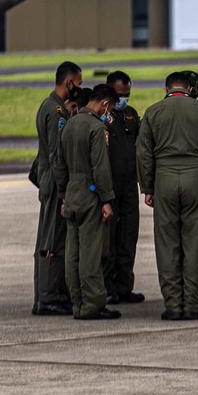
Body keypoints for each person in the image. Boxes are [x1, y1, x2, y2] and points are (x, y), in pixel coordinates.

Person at [137, 72, 198, 321]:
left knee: (167, 244)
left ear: (167, 88)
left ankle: (173, 304)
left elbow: (143, 154)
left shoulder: (153, 112)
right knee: (196, 244)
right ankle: (194, 305)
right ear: (188, 88)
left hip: (164, 177)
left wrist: (148, 187)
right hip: (196, 176)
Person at [56, 84, 120, 320]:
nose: (108, 113)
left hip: (71, 192)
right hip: (89, 192)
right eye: (109, 108)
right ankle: (93, 304)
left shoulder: (70, 124)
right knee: (91, 253)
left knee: (72, 253)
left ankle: (77, 303)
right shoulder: (96, 127)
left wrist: (63, 196)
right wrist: (106, 199)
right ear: (105, 103)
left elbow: (59, 164)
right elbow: (100, 169)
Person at [31, 61, 82, 316]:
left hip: (48, 179)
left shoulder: (49, 106)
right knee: (53, 239)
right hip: (54, 181)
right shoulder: (57, 112)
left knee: (48, 236)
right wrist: (64, 191)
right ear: (69, 82)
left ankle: (45, 294)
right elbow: (55, 154)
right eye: (78, 84)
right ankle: (49, 296)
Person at [103, 71, 145, 304]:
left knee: (128, 237)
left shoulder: (131, 115)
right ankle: (108, 287)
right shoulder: (100, 117)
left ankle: (124, 286)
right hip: (109, 186)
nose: (124, 99)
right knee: (108, 240)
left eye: (127, 94)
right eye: (120, 95)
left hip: (129, 185)